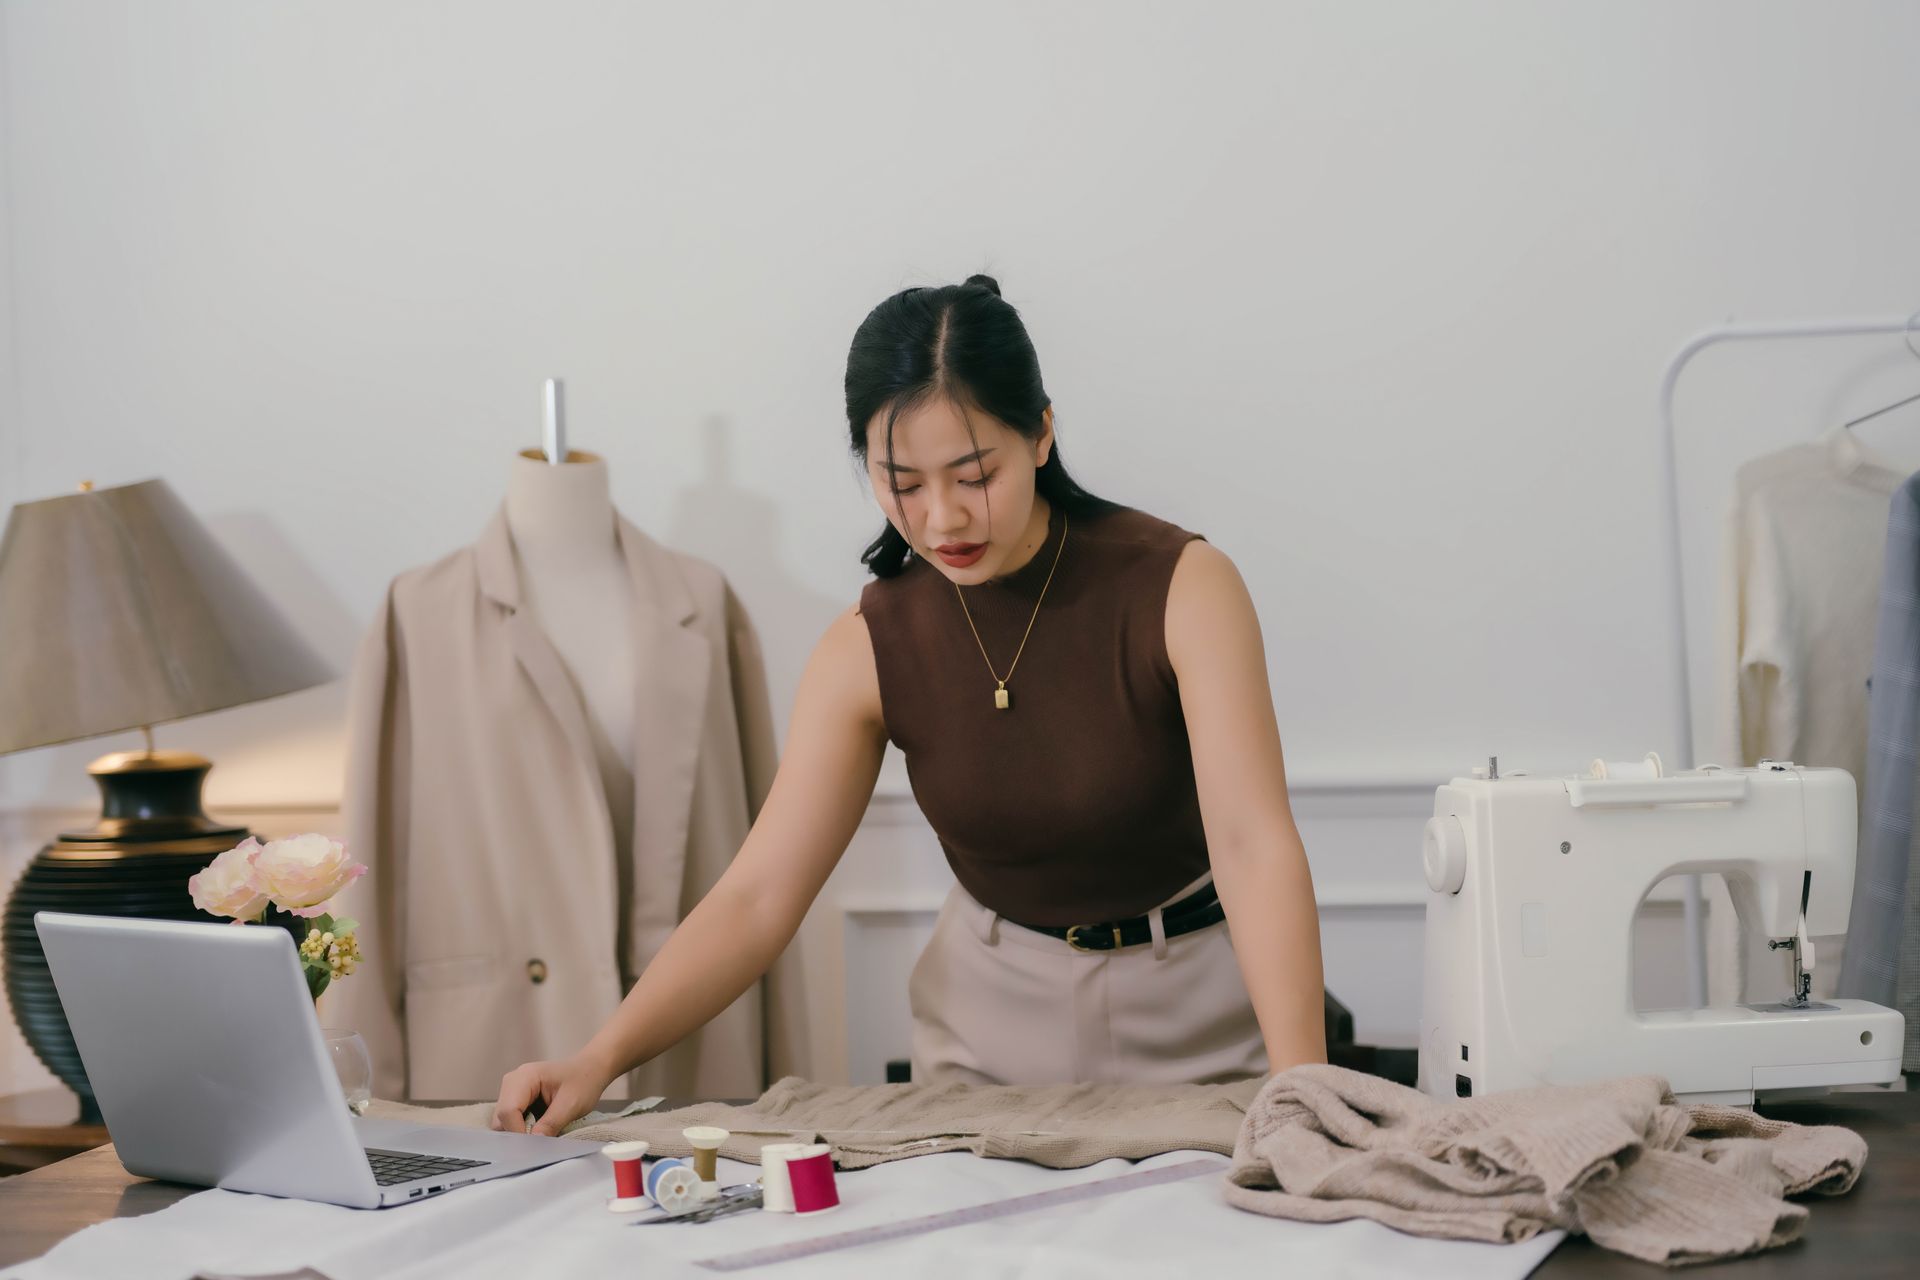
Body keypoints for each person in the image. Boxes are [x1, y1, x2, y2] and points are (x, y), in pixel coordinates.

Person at [492, 275, 1325, 1135]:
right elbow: (758, 897)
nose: (942, 519)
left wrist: (1305, 1089)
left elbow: (1252, 845)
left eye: (974, 475)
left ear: (1041, 432)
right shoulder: (867, 645)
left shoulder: (1182, 586)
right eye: (903, 484)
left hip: (1197, 1009)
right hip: (983, 1032)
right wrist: (598, 1058)